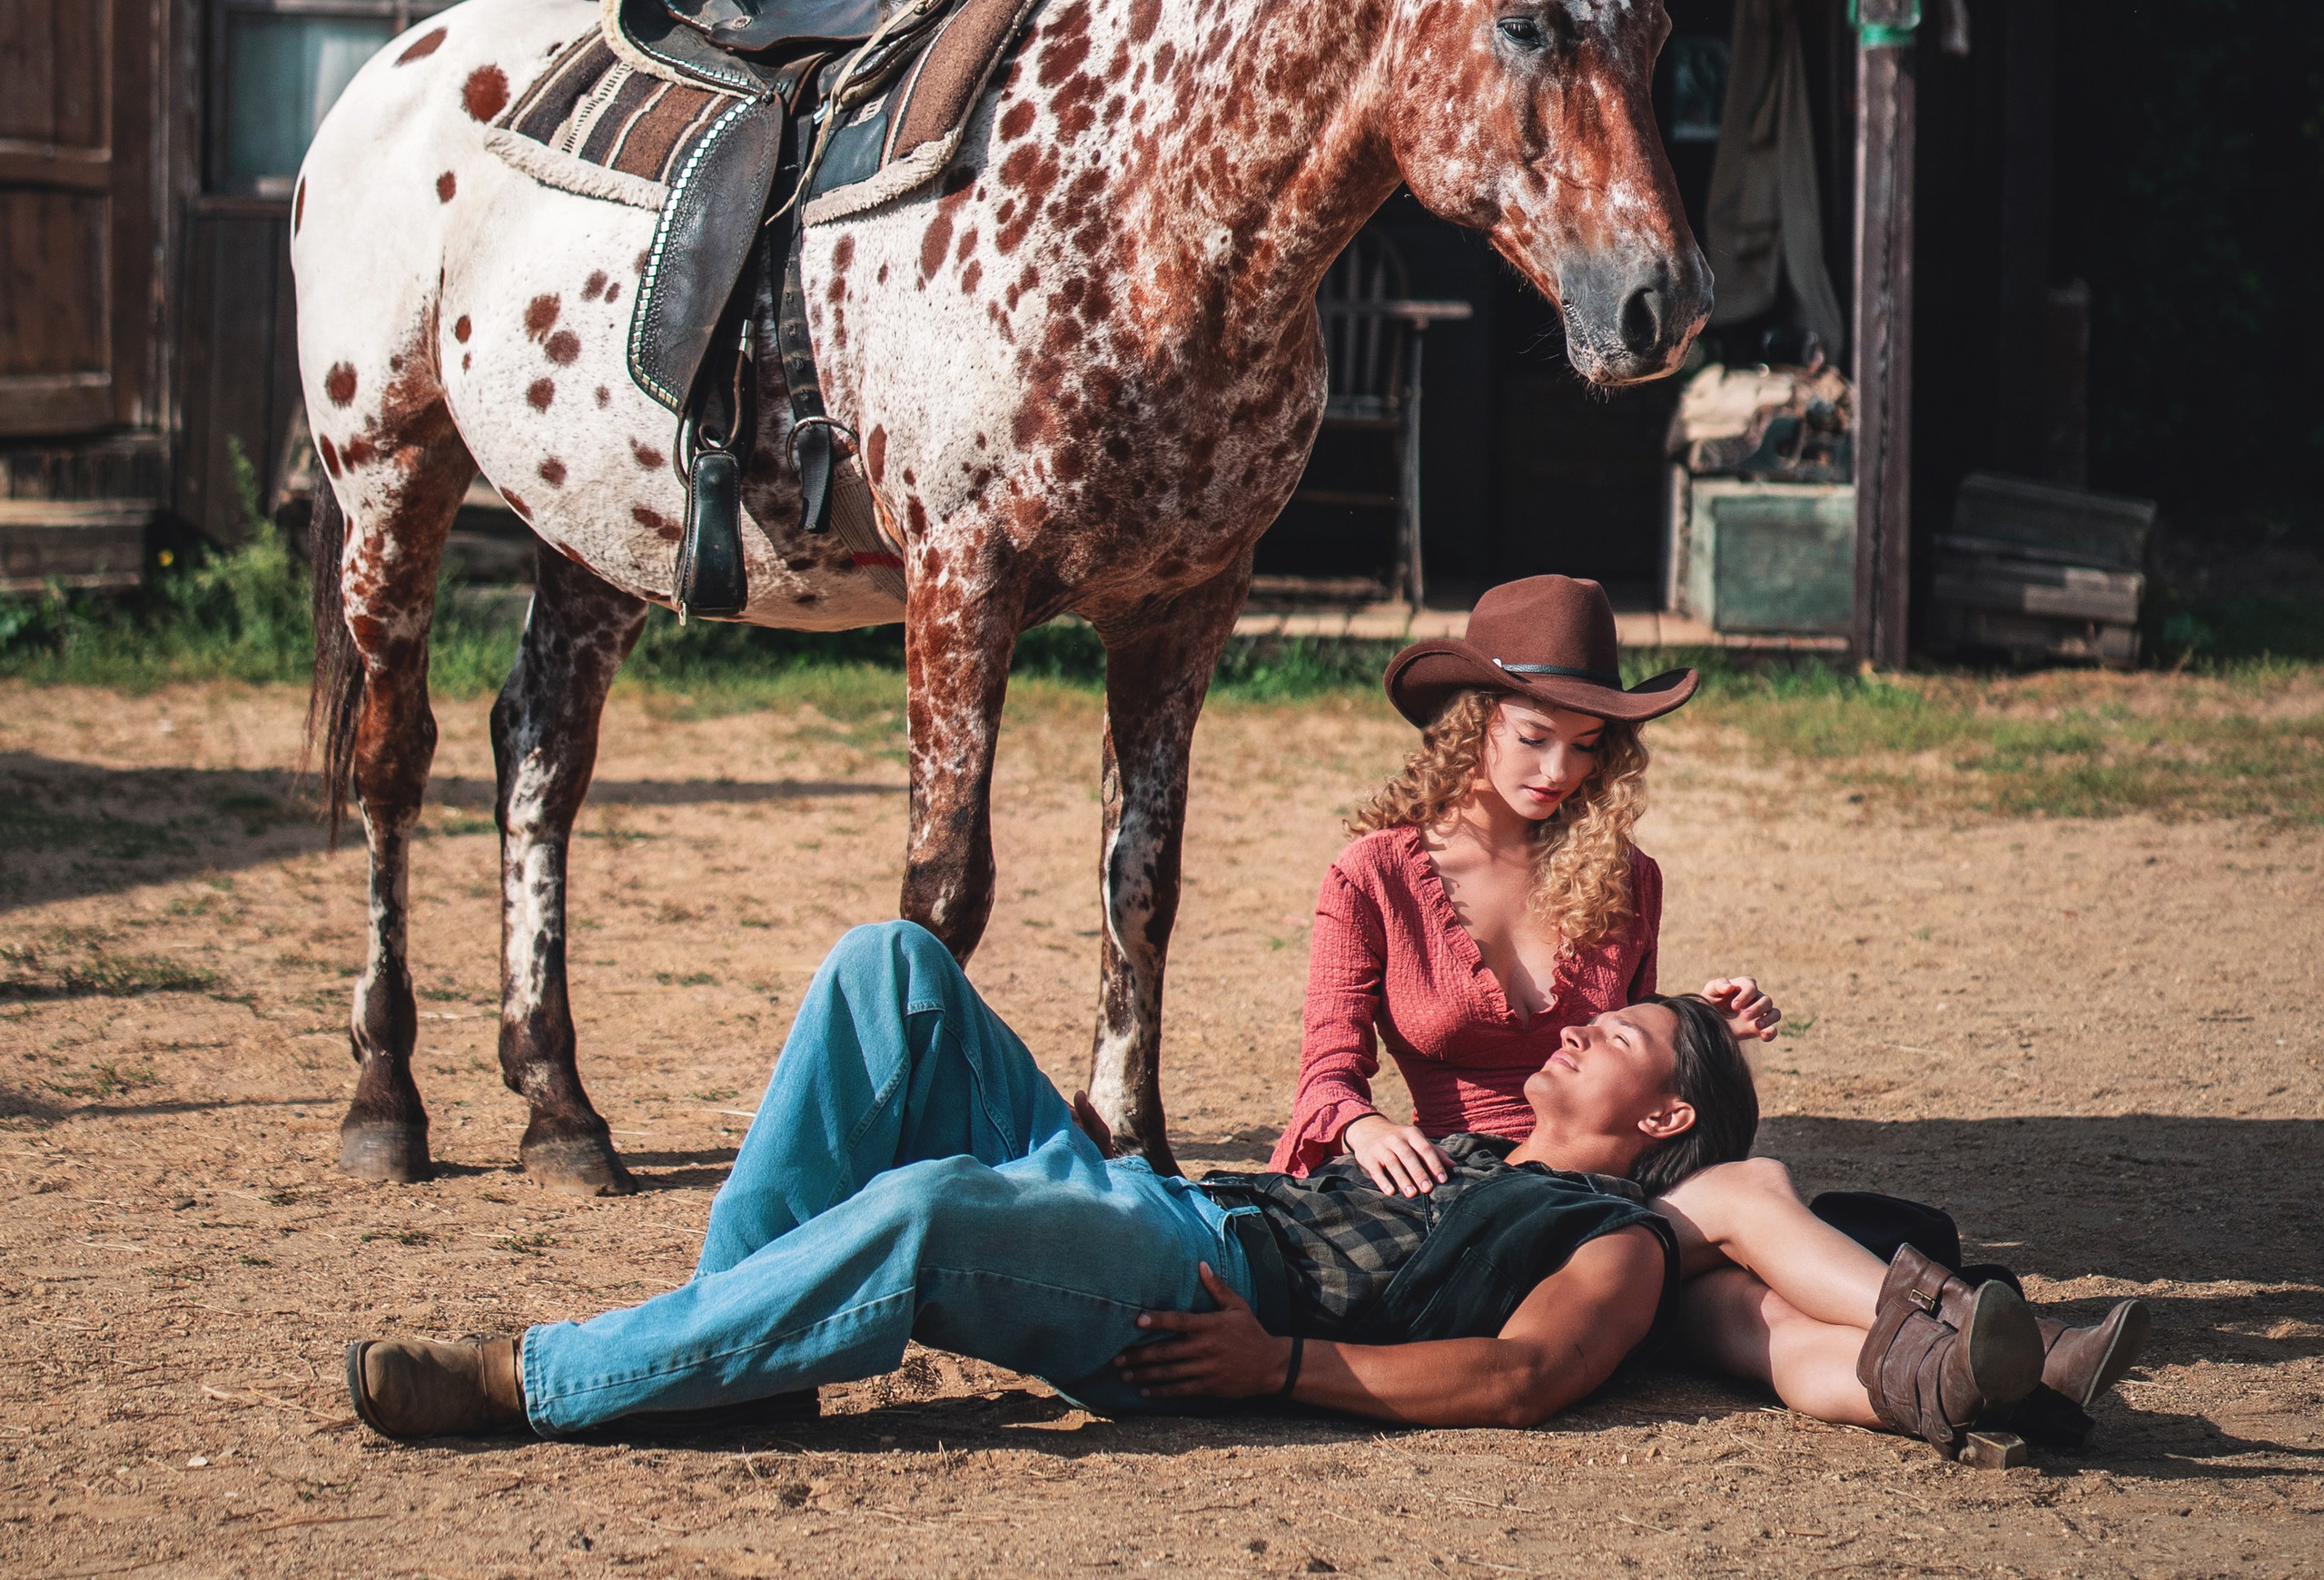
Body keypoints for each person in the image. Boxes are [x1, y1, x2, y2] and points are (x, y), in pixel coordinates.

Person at [345, 919, 2143, 1457]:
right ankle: (728, 1353)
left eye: (1628, 1034)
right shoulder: (1460, 1148)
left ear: (1664, 1121)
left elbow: (1516, 1379)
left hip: (1183, 1298)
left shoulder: (1607, 1238)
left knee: (919, 1214)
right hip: (1157, 1193)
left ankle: (557, 1374)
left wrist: (1283, 1371)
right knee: (885, 965)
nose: (1588, 1023)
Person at [1274, 577, 1777, 1188]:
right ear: (1470, 722)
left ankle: (1916, 1286)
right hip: (1449, 1183)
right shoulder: (1371, 875)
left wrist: (1702, 1026)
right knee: (1748, 1206)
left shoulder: (1626, 876)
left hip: (1595, 1177)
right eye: (1533, 737)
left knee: (1753, 1194)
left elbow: (1630, 1059)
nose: (1558, 770)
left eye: (1585, 744)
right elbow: (1327, 1075)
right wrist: (1364, 1126)